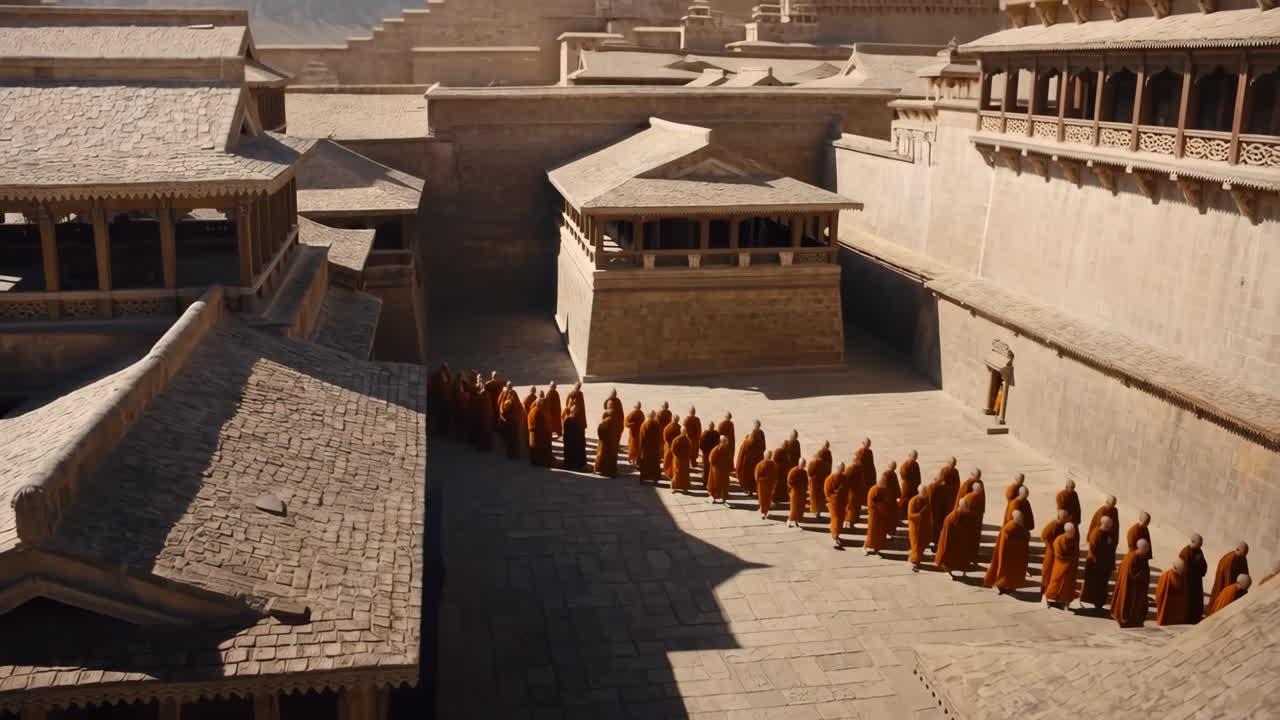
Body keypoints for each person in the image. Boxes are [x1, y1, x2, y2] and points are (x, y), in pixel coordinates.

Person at [1077, 515, 1119, 610]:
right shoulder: (1096, 534)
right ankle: (1091, 602)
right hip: (1096, 565)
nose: (1110, 528)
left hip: (1104, 566)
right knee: (1094, 585)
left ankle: (1099, 603)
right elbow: (1095, 550)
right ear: (1104, 524)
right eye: (1109, 526)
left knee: (1102, 586)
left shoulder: (1107, 533)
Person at [984, 509, 1030, 593]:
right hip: (1010, 555)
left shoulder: (1011, 526)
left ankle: (1004, 586)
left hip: (1009, 554)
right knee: (1007, 573)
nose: (1022, 520)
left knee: (1006, 572)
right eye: (1020, 518)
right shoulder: (1012, 528)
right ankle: (1003, 586)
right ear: (1016, 518)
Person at [1111, 539, 1151, 628]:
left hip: (1136, 588)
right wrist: (1144, 575)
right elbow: (1133, 575)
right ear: (1139, 548)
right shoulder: (1132, 558)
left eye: (1147, 548)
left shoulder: (1140, 556)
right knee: (1129, 606)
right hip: (1130, 589)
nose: (1147, 550)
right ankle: (1128, 622)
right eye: (1145, 548)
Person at [936, 499, 976, 578]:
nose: (967, 510)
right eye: (966, 508)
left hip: (960, 542)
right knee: (950, 560)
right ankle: (949, 571)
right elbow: (946, 534)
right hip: (952, 543)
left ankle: (961, 571)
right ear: (961, 507)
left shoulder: (964, 515)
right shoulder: (951, 518)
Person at [1043, 523, 1080, 608]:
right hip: (1060, 566)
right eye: (1071, 532)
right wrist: (1069, 560)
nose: (1073, 534)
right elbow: (1059, 555)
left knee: (1068, 586)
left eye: (1073, 532)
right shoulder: (1059, 540)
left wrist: (1073, 561)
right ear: (1066, 532)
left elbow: (1076, 553)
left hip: (1070, 568)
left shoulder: (1074, 540)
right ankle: (1047, 597)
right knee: (1055, 583)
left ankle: (1066, 602)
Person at [1178, 534, 1209, 623]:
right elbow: (1183, 569)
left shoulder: (1199, 551)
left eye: (1201, 545)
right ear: (1193, 542)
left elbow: (1204, 564)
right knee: (1188, 601)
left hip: (1197, 581)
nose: (1200, 547)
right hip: (1187, 582)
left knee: (1197, 601)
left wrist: (1200, 572)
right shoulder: (1185, 552)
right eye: (1199, 544)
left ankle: (1195, 618)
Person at [863, 471, 895, 555]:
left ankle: (877, 547)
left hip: (882, 515)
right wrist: (883, 506)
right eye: (883, 482)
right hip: (875, 515)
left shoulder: (883, 489)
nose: (885, 484)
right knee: (872, 532)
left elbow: (887, 500)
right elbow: (872, 503)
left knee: (880, 532)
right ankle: (867, 546)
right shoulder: (874, 490)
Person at [930, 458, 960, 546]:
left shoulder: (946, 470)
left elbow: (939, 481)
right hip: (949, 500)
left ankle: (938, 538)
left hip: (943, 499)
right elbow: (957, 485)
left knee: (940, 518)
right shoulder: (954, 471)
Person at [1210, 542, 1250, 608]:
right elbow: (1228, 579)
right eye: (1245, 552)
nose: (1245, 555)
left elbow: (1245, 573)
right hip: (1227, 587)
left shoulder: (1242, 558)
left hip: (1238, 585)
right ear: (1239, 550)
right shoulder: (1230, 559)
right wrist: (1232, 591)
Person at [1040, 510, 1070, 594]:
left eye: (1067, 517)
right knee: (1047, 572)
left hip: (1059, 553)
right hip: (1051, 553)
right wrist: (1050, 546)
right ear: (1059, 518)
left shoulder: (1065, 525)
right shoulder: (1052, 525)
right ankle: (1044, 592)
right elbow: (1043, 536)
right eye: (1065, 518)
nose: (1067, 519)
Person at [907, 483, 934, 572]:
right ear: (919, 491)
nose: (926, 493)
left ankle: (918, 558)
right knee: (916, 546)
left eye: (926, 491)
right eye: (924, 491)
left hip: (924, 527)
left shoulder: (926, 500)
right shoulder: (913, 501)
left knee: (922, 544)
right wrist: (920, 515)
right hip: (916, 528)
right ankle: (914, 562)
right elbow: (911, 515)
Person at [1155, 558, 1189, 626]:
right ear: (1177, 568)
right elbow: (1160, 593)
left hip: (1175, 608)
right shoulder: (1168, 576)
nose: (1184, 570)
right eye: (1183, 569)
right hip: (1169, 607)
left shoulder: (1180, 576)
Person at [736, 421, 765, 496]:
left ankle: (749, 489)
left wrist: (746, 440)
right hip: (758, 458)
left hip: (750, 459)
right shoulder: (761, 433)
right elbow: (763, 447)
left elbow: (750, 445)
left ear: (755, 425)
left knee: (749, 474)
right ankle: (754, 488)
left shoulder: (754, 433)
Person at [825, 463, 849, 550]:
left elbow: (846, 490)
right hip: (834, 503)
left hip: (842, 503)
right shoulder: (830, 479)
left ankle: (836, 534)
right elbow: (827, 492)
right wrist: (835, 497)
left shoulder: (844, 478)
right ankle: (835, 536)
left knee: (840, 520)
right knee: (836, 519)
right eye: (842, 468)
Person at [897, 450, 921, 532]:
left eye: (916, 457)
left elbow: (918, 475)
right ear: (909, 456)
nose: (915, 458)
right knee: (904, 501)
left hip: (914, 487)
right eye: (913, 456)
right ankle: (899, 516)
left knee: (913, 501)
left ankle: (910, 514)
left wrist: (918, 484)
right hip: (907, 487)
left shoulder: (916, 464)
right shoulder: (905, 466)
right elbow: (903, 476)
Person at [638, 411, 665, 484]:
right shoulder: (657, 425)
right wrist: (659, 448)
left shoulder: (644, 425)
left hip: (646, 449)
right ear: (654, 416)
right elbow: (660, 437)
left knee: (645, 464)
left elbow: (641, 438)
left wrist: (640, 449)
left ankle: (643, 477)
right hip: (655, 449)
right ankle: (655, 478)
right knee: (654, 464)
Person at [808, 441, 833, 520]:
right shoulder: (828, 455)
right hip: (823, 480)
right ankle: (818, 512)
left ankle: (815, 511)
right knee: (820, 498)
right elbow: (829, 468)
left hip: (815, 482)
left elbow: (810, 472)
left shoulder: (815, 462)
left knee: (815, 497)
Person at [561, 398, 588, 470]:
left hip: (573, 441)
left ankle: (571, 465)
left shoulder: (571, 419)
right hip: (572, 441)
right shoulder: (570, 419)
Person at [528, 392, 554, 467]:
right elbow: (540, 423)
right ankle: (539, 462)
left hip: (535, 434)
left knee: (536, 449)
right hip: (537, 434)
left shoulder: (535, 410)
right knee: (538, 449)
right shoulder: (536, 411)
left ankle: (537, 462)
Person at [593, 409, 619, 477]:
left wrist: (601, 438)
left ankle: (604, 471)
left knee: (603, 455)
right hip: (612, 442)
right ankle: (611, 471)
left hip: (605, 442)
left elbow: (600, 428)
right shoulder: (615, 420)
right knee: (611, 456)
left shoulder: (606, 421)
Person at [755, 451, 780, 519]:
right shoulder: (773, 464)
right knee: (768, 498)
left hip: (762, 484)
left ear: (764, 456)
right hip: (770, 484)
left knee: (762, 498)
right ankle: (765, 512)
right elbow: (776, 475)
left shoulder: (760, 464)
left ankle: (763, 512)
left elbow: (756, 475)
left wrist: (758, 481)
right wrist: (774, 483)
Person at [708, 436, 733, 504]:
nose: (726, 443)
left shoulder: (727, 449)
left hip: (725, 471)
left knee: (724, 485)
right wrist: (716, 468)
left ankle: (723, 497)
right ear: (721, 442)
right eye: (725, 442)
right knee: (716, 485)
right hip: (717, 472)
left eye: (727, 441)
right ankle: (714, 497)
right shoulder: (716, 449)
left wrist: (729, 467)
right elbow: (711, 459)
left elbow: (729, 459)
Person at [786, 455, 808, 528]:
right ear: (799, 463)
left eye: (804, 464)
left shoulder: (804, 472)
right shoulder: (793, 471)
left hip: (802, 493)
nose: (803, 465)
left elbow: (806, 482)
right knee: (794, 508)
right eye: (802, 464)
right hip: (795, 492)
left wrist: (805, 489)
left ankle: (796, 521)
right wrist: (792, 488)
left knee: (800, 508)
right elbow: (789, 481)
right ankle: (789, 521)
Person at [699, 423, 722, 488]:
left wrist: (703, 451)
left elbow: (701, 444)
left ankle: (706, 482)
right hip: (712, 454)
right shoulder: (716, 434)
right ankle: (710, 483)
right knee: (711, 469)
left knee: (706, 469)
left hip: (707, 454)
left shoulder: (705, 433)